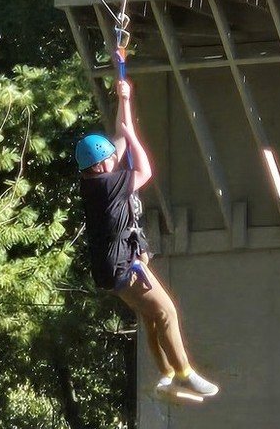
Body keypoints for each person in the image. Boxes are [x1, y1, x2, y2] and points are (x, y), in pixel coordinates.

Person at [76, 79, 219, 399]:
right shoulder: (108, 186)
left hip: (112, 268)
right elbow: (145, 169)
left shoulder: (94, 181)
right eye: (110, 158)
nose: (115, 158)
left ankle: (166, 377)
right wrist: (132, 137)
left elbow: (117, 140)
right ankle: (184, 373)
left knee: (152, 317)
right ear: (101, 166)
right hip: (124, 266)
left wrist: (123, 99)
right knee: (166, 312)